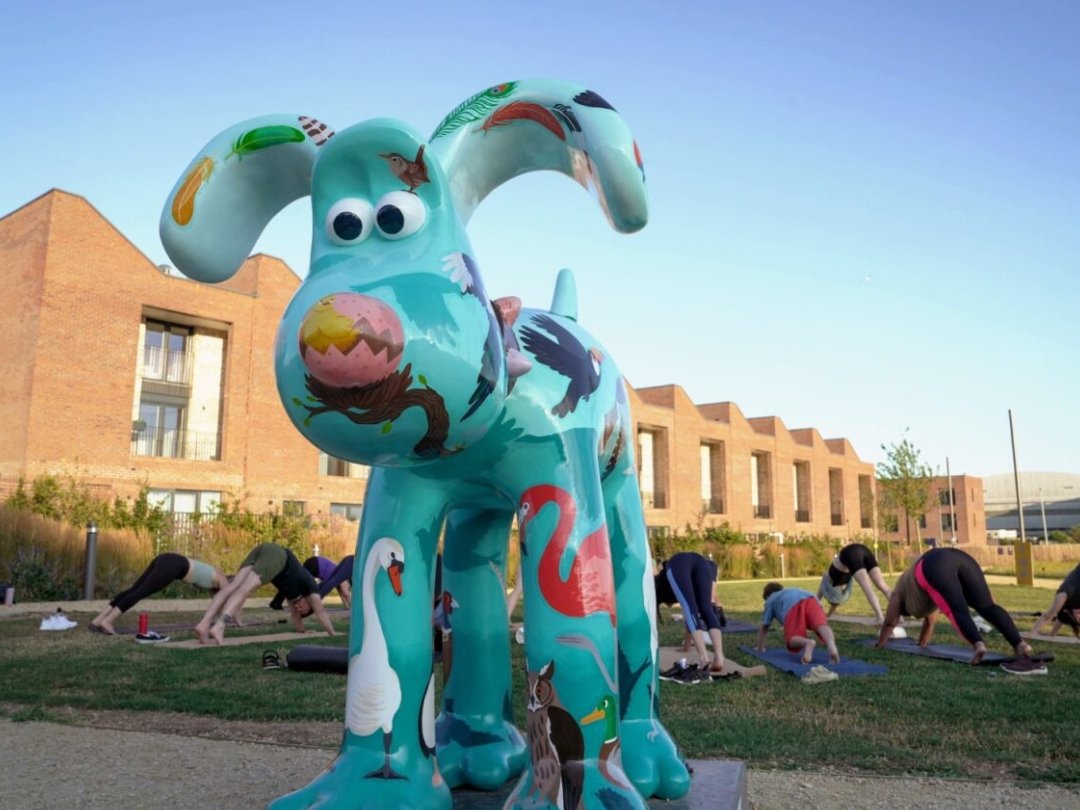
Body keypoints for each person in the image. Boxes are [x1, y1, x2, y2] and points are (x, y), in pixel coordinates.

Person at [876, 548, 1036, 668]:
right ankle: (1020, 644)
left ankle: (978, 645)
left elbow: (890, 622)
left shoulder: (898, 593)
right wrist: (921, 645)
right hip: (960, 558)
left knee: (957, 609)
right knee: (987, 606)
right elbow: (929, 623)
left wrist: (880, 645)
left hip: (933, 565)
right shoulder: (924, 594)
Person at [195, 543, 337, 645]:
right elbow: (321, 612)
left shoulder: (293, 597)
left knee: (233, 586)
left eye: (300, 610)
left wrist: (302, 631)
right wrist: (333, 633)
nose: (298, 608)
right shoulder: (312, 589)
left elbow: (295, 616)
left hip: (265, 549)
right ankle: (219, 626)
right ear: (309, 602)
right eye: (304, 609)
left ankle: (203, 624)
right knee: (244, 589)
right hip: (278, 556)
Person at [90, 552, 228, 635]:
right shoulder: (222, 578)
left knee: (134, 590)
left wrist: (217, 619)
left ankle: (98, 620)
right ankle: (107, 621)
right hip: (173, 565)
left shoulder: (214, 581)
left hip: (167, 558)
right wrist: (234, 620)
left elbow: (217, 605)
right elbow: (228, 601)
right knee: (139, 593)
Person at [654, 552, 726, 683]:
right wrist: (686, 647)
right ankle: (719, 657)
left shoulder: (663, 584)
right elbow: (692, 618)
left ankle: (704, 660)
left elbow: (690, 614)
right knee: (707, 608)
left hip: (678, 563)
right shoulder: (675, 579)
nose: (670, 606)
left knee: (689, 607)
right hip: (700, 560)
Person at [756, 582, 840, 664]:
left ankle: (807, 643)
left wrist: (760, 647)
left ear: (767, 596)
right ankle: (832, 645)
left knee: (791, 637)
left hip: (793, 605)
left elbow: (764, 626)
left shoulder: (770, 599)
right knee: (821, 625)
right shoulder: (788, 591)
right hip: (812, 599)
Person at [816, 542, 892, 624]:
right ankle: (898, 615)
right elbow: (832, 602)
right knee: (883, 585)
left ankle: (880, 617)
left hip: (850, 554)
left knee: (868, 588)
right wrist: (827, 615)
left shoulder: (831, 583)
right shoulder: (829, 582)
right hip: (862, 548)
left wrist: (826, 614)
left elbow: (827, 600)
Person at [269, 555, 354, 610]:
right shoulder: (344, 578)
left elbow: (342, 594)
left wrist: (346, 607)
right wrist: (352, 607)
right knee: (297, 584)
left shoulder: (339, 577)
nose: (349, 588)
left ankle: (277, 602)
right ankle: (279, 602)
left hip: (314, 562)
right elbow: (346, 593)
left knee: (296, 583)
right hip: (315, 564)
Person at [1030, 562, 1080, 638]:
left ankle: (1049, 634)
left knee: (1053, 614)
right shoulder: (1067, 593)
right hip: (1069, 591)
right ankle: (1033, 634)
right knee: (1050, 615)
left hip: (1069, 593)